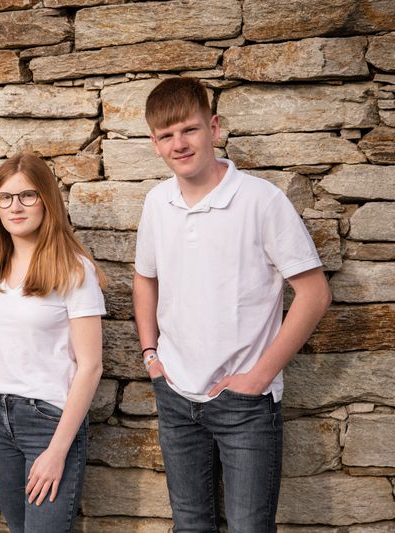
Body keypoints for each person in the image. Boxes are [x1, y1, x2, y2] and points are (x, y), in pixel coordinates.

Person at [133, 77, 332, 531]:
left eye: (190, 130)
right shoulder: (156, 203)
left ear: (214, 128)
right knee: (190, 524)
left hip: (245, 404)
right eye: (166, 136)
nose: (179, 144)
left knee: (249, 527)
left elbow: (315, 293)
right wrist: (151, 356)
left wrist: (258, 377)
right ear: (155, 144)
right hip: (176, 394)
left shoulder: (261, 201)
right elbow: (145, 279)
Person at [0, 153, 106, 533]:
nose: (16, 206)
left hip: (49, 423)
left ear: (47, 199)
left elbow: (91, 366)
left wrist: (57, 451)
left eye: (28, 196)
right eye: (5, 197)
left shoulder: (74, 269)